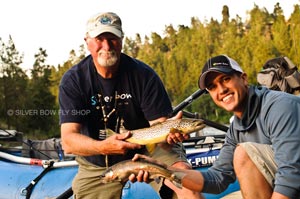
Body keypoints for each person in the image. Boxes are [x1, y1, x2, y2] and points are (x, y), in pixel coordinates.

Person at [58, 11, 202, 199]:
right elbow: (68, 141)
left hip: (148, 148)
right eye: (100, 39)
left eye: (113, 38)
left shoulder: (144, 75)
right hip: (98, 161)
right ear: (87, 41)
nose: (107, 46)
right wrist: (103, 147)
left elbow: (160, 128)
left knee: (186, 181)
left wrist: (170, 137)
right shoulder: (73, 81)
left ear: (122, 39)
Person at [131, 55, 300, 199]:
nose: (221, 90)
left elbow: (291, 176)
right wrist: (161, 169)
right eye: (212, 87)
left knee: (242, 154)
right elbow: (217, 179)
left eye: (226, 79)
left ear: (244, 78)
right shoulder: (236, 129)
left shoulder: (280, 106)